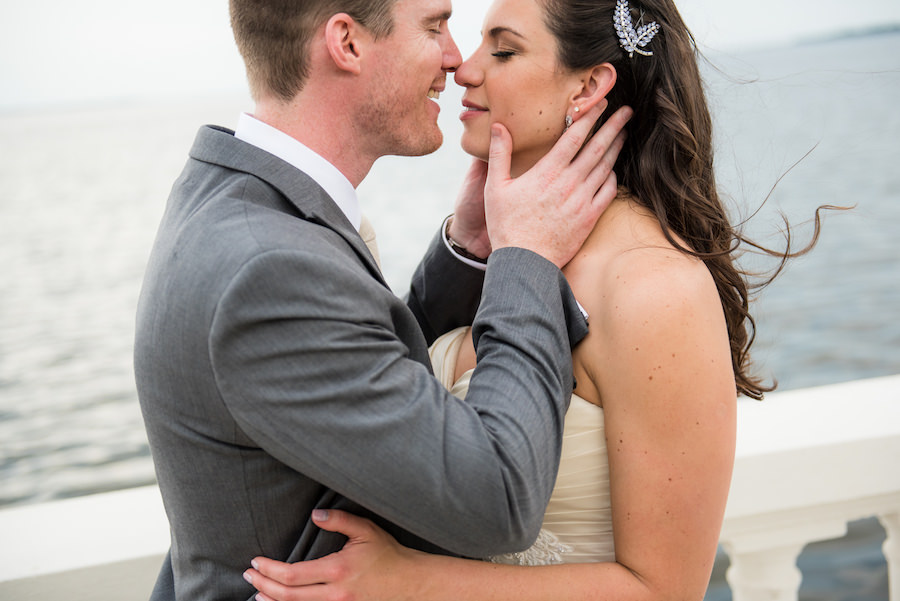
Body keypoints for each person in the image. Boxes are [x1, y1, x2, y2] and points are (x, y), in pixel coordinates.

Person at [243, 0, 831, 599]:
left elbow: (665, 589)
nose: (463, 69)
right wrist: (477, 246)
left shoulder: (654, 288)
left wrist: (408, 581)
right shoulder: (517, 249)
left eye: (503, 50)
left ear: (588, 86)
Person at [133, 0, 632, 598]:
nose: (455, 59)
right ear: (346, 43)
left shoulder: (229, 197)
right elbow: (499, 500)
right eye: (434, 26)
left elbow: (355, 378)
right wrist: (525, 259)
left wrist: (469, 249)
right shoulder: (269, 269)